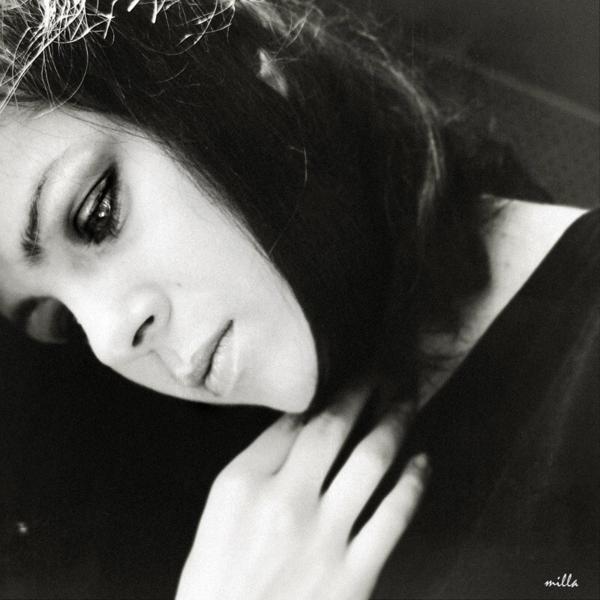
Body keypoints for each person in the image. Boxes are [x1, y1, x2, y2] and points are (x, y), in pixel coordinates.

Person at [0, 1, 597, 598]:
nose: (109, 342)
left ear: (242, 65)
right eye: (60, 318)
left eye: (97, 214)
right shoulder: (164, 510)